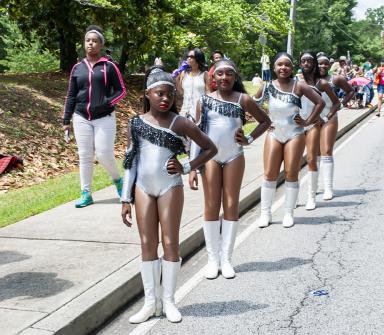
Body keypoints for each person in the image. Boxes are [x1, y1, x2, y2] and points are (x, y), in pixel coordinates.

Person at [121, 64, 217, 324]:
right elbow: (130, 161)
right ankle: (150, 302)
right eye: (159, 94)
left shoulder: (180, 122)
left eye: (170, 95)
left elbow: (210, 148)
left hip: (169, 187)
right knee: (147, 243)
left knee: (171, 241)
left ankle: (169, 301)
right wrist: (124, 198)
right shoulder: (135, 123)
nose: (165, 99)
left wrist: (186, 166)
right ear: (147, 95)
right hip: (142, 188)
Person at [189, 59, 271, 279]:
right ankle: (212, 259)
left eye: (229, 74)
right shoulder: (204, 101)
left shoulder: (243, 99)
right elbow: (197, 135)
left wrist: (249, 138)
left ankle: (226, 259)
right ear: (213, 77)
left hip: (234, 156)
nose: (224, 78)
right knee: (211, 205)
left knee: (232, 203)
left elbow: (265, 121)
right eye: (220, 74)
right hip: (211, 158)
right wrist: (192, 168)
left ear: (235, 77)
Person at [254, 52, 325, 228]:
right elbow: (252, 103)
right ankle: (265, 214)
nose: (283, 68)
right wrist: (263, 120)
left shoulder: (299, 86)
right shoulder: (268, 86)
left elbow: (320, 103)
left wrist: (308, 121)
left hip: (294, 133)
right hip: (274, 133)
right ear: (274, 68)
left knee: (291, 173)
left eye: (287, 65)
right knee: (270, 174)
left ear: (292, 68)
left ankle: (288, 213)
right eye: (280, 65)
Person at [63, 25, 126, 208]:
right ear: (84, 43)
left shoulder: (109, 67)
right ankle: (86, 193)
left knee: (104, 153)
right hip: (81, 116)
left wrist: (107, 102)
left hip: (104, 117)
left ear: (101, 45)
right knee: (85, 155)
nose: (90, 43)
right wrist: (66, 120)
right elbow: (71, 95)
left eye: (95, 41)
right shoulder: (77, 68)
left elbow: (121, 91)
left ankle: (118, 181)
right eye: (88, 40)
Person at [298, 52, 340, 210]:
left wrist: (327, 116)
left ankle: (327, 188)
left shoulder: (322, 83)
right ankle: (303, 193)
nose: (307, 64)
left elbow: (336, 103)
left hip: (324, 119)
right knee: (306, 158)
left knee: (326, 151)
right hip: (303, 123)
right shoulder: (297, 82)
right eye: (303, 61)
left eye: (310, 61)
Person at [318, 52, 352, 201]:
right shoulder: (308, 80)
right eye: (320, 63)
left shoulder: (335, 78)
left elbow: (350, 91)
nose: (323, 66)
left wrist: (341, 104)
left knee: (326, 150)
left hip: (329, 117)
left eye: (326, 63)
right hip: (311, 120)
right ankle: (316, 185)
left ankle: (328, 188)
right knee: (314, 154)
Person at [176, 48, 211, 121]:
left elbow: (208, 93)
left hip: (200, 112)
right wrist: (177, 75)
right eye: (188, 57)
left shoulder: (205, 74)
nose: (188, 58)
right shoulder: (184, 73)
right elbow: (180, 92)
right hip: (184, 112)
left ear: (198, 58)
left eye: (191, 57)